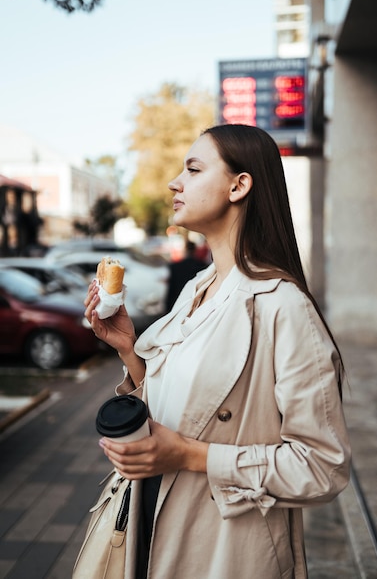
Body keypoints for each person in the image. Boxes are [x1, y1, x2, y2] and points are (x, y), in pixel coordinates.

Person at [84, 123, 351, 579]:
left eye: (192, 169)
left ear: (239, 185)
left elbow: (323, 466)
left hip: (224, 552)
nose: (175, 182)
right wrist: (130, 351)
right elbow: (187, 409)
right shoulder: (197, 287)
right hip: (150, 528)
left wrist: (192, 456)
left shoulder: (283, 307)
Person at [164, 239, 208, 312]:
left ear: (185, 250)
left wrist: (168, 309)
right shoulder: (203, 266)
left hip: (177, 302)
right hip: (195, 304)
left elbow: (171, 290)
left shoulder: (175, 266)